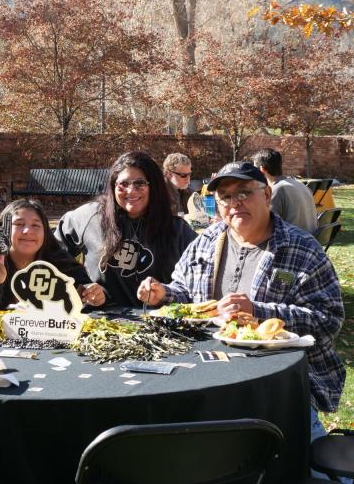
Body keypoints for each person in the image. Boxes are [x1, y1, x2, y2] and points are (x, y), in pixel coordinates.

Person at [137, 161, 345, 435]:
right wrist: (163, 293)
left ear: (267, 195)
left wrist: (259, 312)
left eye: (245, 192)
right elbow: (186, 294)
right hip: (202, 376)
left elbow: (329, 320)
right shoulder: (206, 241)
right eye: (225, 197)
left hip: (276, 388)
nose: (235, 202)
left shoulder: (302, 249)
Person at [55, 151, 197, 308]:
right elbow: (53, 256)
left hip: (159, 326)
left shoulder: (176, 230)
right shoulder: (90, 217)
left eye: (140, 183)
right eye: (123, 184)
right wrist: (82, 286)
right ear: (113, 185)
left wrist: (166, 295)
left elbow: (199, 277)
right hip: (100, 323)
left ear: (154, 186)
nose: (131, 190)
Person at [0, 199, 106, 311]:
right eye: (19, 224)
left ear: (45, 232)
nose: (28, 231)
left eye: (36, 225)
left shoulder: (61, 263)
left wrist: (93, 294)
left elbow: (84, 291)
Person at [251, 147, 318, 233]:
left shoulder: (277, 190)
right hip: (310, 240)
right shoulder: (299, 184)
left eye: (254, 169)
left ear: (262, 170)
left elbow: (265, 227)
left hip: (292, 243)